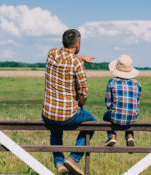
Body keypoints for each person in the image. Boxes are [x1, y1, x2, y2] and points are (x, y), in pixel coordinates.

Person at [42, 29, 96, 175]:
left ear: (62, 42)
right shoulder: (77, 63)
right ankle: (73, 159)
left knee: (55, 131)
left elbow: (66, 56)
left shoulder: (51, 54)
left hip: (48, 114)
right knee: (92, 123)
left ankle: (59, 163)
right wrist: (80, 104)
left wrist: (80, 57)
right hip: (68, 116)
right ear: (77, 45)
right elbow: (84, 91)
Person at [103, 55, 142, 147]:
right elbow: (137, 101)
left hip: (115, 116)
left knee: (106, 116)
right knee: (130, 114)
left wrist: (113, 109)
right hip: (131, 116)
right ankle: (129, 136)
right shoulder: (136, 83)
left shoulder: (112, 82)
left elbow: (108, 103)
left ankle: (112, 136)